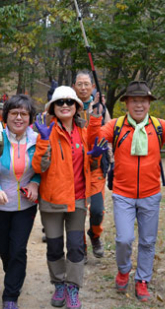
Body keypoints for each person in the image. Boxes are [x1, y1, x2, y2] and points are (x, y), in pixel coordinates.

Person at [90, 80, 165, 302]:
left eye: (143, 101)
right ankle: (123, 270)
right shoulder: (117, 126)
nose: (139, 105)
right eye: (134, 101)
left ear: (149, 103)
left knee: (148, 241)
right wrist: (95, 116)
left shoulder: (157, 126)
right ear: (127, 104)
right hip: (123, 194)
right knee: (124, 239)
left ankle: (142, 280)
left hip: (150, 195)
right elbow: (93, 139)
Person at [32, 86, 105, 309]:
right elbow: (38, 167)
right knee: (54, 247)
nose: (65, 105)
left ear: (76, 107)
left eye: (69, 102)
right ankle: (59, 285)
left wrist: (93, 159)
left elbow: (90, 166)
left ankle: (73, 288)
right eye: (60, 102)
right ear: (53, 107)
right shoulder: (46, 130)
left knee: (75, 247)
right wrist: (43, 141)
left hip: (78, 200)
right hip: (52, 200)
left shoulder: (83, 132)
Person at [0, 94, 40, 309]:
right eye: (14, 113)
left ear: (30, 118)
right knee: (5, 249)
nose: (18, 117)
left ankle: (10, 296)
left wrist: (36, 183)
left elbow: (44, 171)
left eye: (24, 113)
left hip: (26, 206)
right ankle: (13, 275)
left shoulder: (37, 141)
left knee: (17, 250)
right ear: (6, 116)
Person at [73, 71, 111, 258]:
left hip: (96, 166)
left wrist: (110, 158)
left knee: (96, 210)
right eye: (79, 84)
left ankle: (94, 235)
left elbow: (109, 131)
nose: (83, 87)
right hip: (76, 168)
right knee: (77, 211)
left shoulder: (100, 107)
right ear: (74, 87)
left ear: (92, 87)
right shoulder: (68, 105)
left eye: (86, 84)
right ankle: (81, 247)